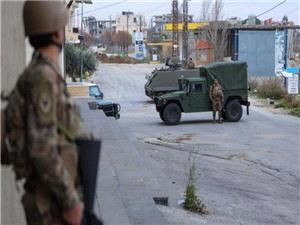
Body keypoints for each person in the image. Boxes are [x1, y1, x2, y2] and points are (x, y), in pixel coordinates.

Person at [3, 1, 83, 225]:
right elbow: (42, 149)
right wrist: (70, 202)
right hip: (50, 204)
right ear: (58, 34)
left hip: (49, 198)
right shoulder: (43, 78)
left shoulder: (41, 73)